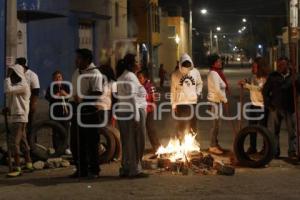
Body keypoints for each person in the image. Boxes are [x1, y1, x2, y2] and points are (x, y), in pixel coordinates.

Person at [69, 49, 105, 178]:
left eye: (79, 58)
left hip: (90, 112)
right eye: (76, 58)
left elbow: (97, 93)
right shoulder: (76, 72)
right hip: (76, 111)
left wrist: (83, 99)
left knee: (91, 142)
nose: (76, 60)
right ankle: (81, 169)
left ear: (86, 60)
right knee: (76, 142)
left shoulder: (95, 73)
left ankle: (94, 170)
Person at [116, 54, 148, 178]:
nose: (138, 63)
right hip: (133, 111)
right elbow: (133, 98)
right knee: (136, 142)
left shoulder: (122, 76)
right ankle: (135, 170)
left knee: (127, 141)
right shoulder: (130, 77)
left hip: (123, 111)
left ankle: (126, 167)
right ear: (131, 64)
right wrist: (136, 117)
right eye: (136, 61)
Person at [263, 57, 299, 159]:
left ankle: (292, 151)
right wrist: (269, 104)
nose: (279, 67)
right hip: (276, 108)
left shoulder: (294, 76)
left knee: (292, 132)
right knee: (275, 132)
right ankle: (275, 151)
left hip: (290, 107)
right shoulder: (273, 76)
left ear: (288, 65)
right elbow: (265, 91)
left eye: (282, 65)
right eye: (278, 65)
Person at [4, 64, 33, 177]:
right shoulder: (16, 85)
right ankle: (29, 163)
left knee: (14, 143)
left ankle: (17, 167)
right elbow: (14, 99)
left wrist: (7, 76)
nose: (11, 76)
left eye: (13, 74)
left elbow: (8, 90)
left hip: (19, 117)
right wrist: (8, 108)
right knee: (22, 141)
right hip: (17, 115)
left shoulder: (23, 85)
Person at [238, 57, 269, 154]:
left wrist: (246, 86)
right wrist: (244, 81)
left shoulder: (265, 78)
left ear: (261, 67)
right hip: (253, 105)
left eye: (255, 67)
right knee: (251, 127)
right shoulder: (253, 76)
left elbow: (260, 89)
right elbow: (249, 80)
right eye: (253, 66)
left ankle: (266, 148)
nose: (253, 68)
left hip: (262, 106)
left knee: (263, 129)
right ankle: (252, 147)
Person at [171, 53, 203, 139]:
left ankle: (193, 143)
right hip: (180, 103)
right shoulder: (175, 74)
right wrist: (173, 104)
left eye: (188, 68)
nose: (186, 70)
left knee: (193, 124)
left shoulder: (195, 72)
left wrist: (198, 93)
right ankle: (180, 144)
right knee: (180, 125)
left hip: (192, 102)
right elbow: (173, 90)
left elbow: (200, 83)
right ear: (180, 65)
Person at [45, 70, 71, 155]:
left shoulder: (66, 86)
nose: (58, 79)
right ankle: (57, 148)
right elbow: (47, 97)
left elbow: (71, 96)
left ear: (62, 78)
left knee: (65, 130)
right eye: (56, 78)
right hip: (55, 112)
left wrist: (65, 94)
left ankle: (66, 147)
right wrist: (56, 96)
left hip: (65, 112)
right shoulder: (51, 87)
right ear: (53, 79)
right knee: (56, 131)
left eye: (59, 77)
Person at [207, 54, 228, 155]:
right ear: (214, 63)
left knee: (217, 125)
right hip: (215, 101)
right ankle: (212, 146)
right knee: (215, 125)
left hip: (217, 101)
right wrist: (225, 100)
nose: (220, 63)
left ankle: (215, 143)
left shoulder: (216, 73)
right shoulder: (214, 74)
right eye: (219, 61)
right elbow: (217, 89)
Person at [15, 58, 40, 140]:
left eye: (17, 65)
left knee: (31, 126)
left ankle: (32, 146)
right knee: (21, 128)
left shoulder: (32, 75)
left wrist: (33, 104)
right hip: (19, 105)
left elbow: (36, 91)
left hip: (29, 104)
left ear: (22, 66)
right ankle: (23, 147)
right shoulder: (16, 75)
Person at [137, 70, 161, 152]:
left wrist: (152, 105)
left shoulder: (150, 86)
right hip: (140, 111)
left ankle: (157, 147)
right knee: (139, 130)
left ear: (145, 78)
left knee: (150, 129)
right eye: (138, 78)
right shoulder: (137, 86)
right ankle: (139, 148)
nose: (139, 79)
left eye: (140, 78)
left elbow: (154, 98)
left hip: (149, 110)